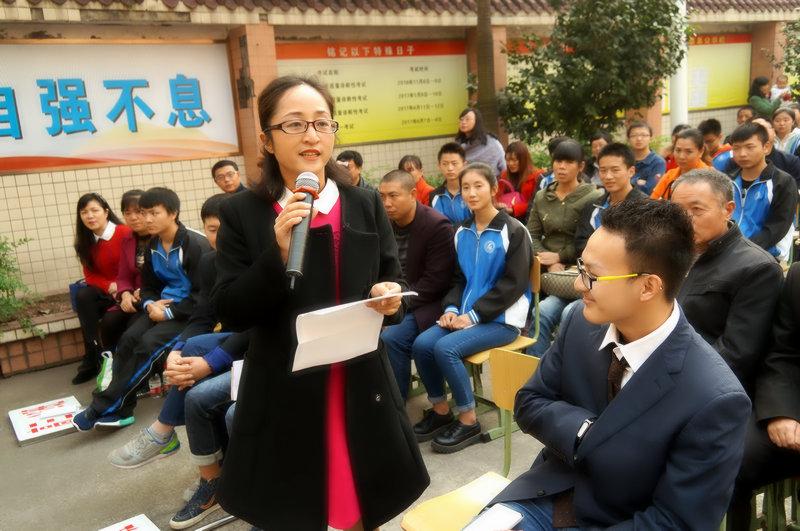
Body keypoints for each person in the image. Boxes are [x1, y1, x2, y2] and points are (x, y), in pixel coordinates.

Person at [211, 75, 429, 531]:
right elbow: (229, 309)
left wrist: (389, 298)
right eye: (294, 124)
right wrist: (275, 256)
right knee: (299, 510)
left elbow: (393, 278)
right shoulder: (241, 213)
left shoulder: (365, 202)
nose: (311, 135)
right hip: (285, 388)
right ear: (268, 140)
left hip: (359, 382)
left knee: (360, 506)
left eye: (322, 123)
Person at [488, 199, 751, 529]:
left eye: (593, 276)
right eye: (581, 268)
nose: (578, 284)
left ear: (647, 286)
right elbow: (530, 401)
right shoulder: (580, 323)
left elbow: (676, 522)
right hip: (546, 494)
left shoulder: (714, 397)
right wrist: (585, 432)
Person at [107, 194, 248, 530]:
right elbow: (202, 315)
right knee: (188, 356)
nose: (219, 237)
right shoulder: (211, 263)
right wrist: (178, 350)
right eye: (211, 229)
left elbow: (258, 329)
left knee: (201, 393)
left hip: (257, 349)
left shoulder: (259, 263)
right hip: (231, 347)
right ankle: (212, 480)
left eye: (226, 229)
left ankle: (164, 433)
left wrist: (208, 362)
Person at [411, 162, 532, 454]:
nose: (471, 193)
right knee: (422, 344)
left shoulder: (513, 231)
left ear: (494, 189)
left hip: (502, 321)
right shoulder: (461, 231)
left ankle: (468, 420)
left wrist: (474, 315)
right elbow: (458, 279)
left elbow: (514, 283)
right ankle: (441, 411)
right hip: (466, 317)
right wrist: (452, 308)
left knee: (446, 348)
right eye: (466, 187)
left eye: (478, 186)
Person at [72, 187, 211, 430]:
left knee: (147, 346)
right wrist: (150, 304)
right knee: (128, 340)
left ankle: (102, 406)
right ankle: (122, 409)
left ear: (173, 213)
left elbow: (204, 296)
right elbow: (148, 286)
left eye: (153, 213)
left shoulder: (194, 244)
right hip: (161, 308)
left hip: (190, 315)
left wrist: (168, 313)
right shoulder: (154, 244)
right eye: (143, 213)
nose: (146, 219)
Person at [672, 168, 783, 394]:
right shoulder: (667, 253)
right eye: (677, 211)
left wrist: (673, 378)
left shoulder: (757, 268)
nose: (684, 220)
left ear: (728, 210)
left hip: (703, 385)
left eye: (696, 210)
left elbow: (736, 353)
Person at [530, 143, 642, 358]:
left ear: (631, 171)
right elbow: (580, 243)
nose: (608, 176)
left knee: (570, 314)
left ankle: (570, 367)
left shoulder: (642, 207)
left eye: (615, 170)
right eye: (603, 170)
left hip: (614, 284)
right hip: (582, 279)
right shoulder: (594, 206)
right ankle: (539, 368)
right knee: (541, 312)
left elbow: (636, 251)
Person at [729, 263, 800, 530]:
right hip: (794, 414)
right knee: (728, 457)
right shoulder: (798, 276)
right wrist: (781, 412)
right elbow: (783, 353)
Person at [378, 170, 455, 401]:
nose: (386, 203)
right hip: (393, 298)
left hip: (430, 303)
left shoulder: (437, 225)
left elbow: (436, 282)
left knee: (392, 338)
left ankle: (396, 406)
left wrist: (398, 304)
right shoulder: (385, 224)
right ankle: (375, 398)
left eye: (393, 196)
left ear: (413, 194)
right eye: (382, 196)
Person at [71, 193, 132, 384]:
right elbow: (90, 276)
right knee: (83, 296)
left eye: (94, 210)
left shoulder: (124, 233)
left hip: (128, 289)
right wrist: (109, 286)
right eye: (84, 212)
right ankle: (93, 355)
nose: (90, 216)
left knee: (109, 319)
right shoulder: (84, 242)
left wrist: (120, 285)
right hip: (107, 292)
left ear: (106, 212)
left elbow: (134, 266)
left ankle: (108, 357)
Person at [527, 138, 603, 278]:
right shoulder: (542, 196)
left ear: (581, 166)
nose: (562, 167)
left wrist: (559, 257)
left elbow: (590, 240)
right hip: (543, 263)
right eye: (558, 161)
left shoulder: (593, 197)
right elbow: (532, 235)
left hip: (580, 265)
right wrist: (548, 260)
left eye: (569, 162)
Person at [728, 121, 798, 260]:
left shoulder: (782, 182)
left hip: (767, 256)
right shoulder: (728, 181)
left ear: (766, 147)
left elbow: (778, 227)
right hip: (730, 254)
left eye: (749, 147)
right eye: (736, 148)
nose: (742, 154)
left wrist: (742, 250)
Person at [102, 189, 150, 353]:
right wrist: (125, 294)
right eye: (127, 213)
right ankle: (109, 362)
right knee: (109, 321)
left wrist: (144, 292)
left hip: (152, 297)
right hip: (132, 297)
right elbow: (123, 276)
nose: (133, 217)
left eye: (138, 212)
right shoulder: (128, 239)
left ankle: (129, 364)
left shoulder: (160, 237)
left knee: (132, 326)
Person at [650, 128, 707, 201]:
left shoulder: (710, 178)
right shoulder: (669, 176)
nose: (681, 156)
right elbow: (652, 202)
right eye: (678, 150)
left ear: (701, 151)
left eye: (688, 151)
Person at [497, 141, 542, 222]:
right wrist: (498, 204)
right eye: (507, 160)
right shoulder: (504, 175)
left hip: (529, 219)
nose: (510, 163)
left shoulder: (537, 176)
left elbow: (536, 204)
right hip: (506, 218)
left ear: (524, 159)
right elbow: (498, 195)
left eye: (514, 160)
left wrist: (514, 209)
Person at [456, 107, 506, 176]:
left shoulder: (491, 142)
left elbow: (504, 166)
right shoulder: (458, 145)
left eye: (467, 119)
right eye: (461, 119)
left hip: (491, 181)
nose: (463, 122)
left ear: (477, 122)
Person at [430, 142, 470, 224]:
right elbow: (436, 224)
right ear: (439, 166)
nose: (450, 168)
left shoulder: (471, 192)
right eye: (445, 164)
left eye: (454, 163)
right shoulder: (435, 195)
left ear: (464, 165)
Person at [626, 121, 666, 194]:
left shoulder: (658, 162)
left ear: (651, 138)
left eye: (644, 135)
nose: (639, 138)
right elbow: (616, 184)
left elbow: (649, 190)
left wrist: (630, 181)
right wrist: (637, 182)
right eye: (634, 135)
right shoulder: (624, 159)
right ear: (628, 139)